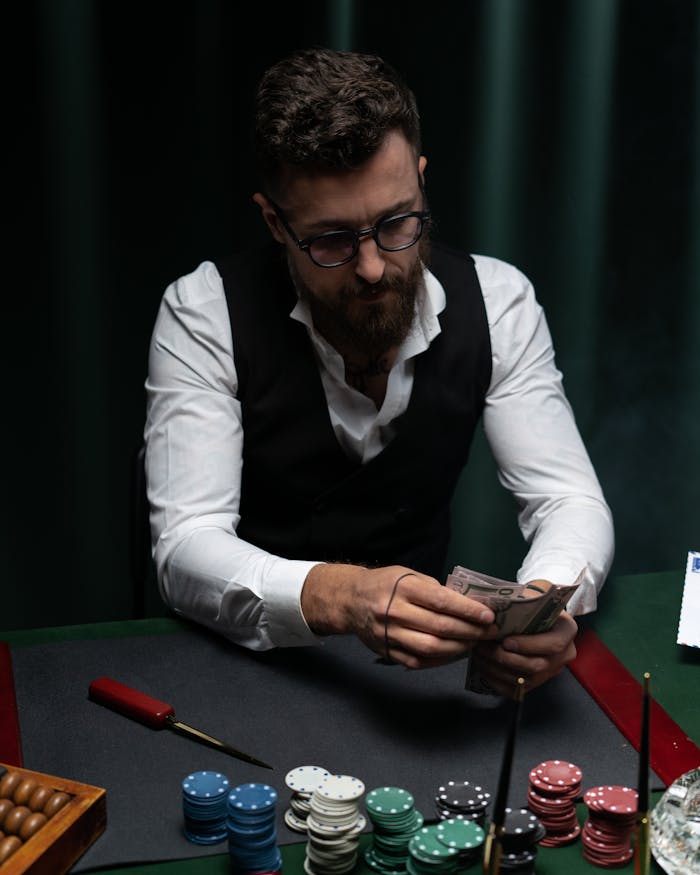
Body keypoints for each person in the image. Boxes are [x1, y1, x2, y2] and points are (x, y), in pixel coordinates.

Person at [143, 46, 614, 696]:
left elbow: (568, 499)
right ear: (274, 221)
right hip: (235, 671)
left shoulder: (499, 300)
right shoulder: (202, 312)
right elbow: (186, 546)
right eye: (332, 239)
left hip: (415, 685)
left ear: (421, 179)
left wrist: (542, 602)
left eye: (397, 222)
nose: (371, 267)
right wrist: (347, 594)